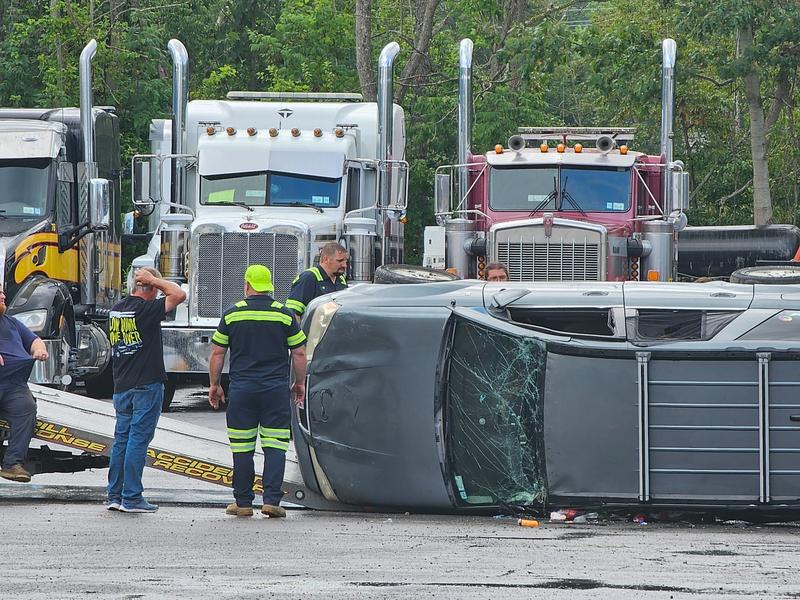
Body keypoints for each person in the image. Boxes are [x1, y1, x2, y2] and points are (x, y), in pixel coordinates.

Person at [209, 264, 307, 518]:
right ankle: (272, 501)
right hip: (274, 391)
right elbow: (298, 352)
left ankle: (242, 503)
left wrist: (214, 384)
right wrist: (299, 383)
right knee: (275, 446)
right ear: (269, 287)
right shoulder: (284, 315)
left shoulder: (232, 315)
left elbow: (218, 352)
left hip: (242, 392)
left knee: (242, 448)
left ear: (247, 286)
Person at [107, 267, 186, 513]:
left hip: (122, 386)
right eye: (155, 287)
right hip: (146, 385)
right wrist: (156, 280)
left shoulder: (117, 310)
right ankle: (131, 497)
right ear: (150, 288)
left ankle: (115, 495)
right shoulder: (147, 309)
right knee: (138, 441)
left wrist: (151, 281)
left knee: (121, 440)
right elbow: (179, 295)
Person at [0, 285, 49, 483]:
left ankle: (12, 464)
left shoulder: (11, 323)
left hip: (14, 384)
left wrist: (39, 349)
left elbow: (34, 340)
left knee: (27, 407)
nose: (4, 296)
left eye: (3, 292)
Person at [285, 242, 348, 319]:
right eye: (340, 261)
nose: (344, 265)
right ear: (326, 259)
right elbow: (293, 314)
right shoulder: (308, 278)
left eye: (346, 261)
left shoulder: (341, 280)